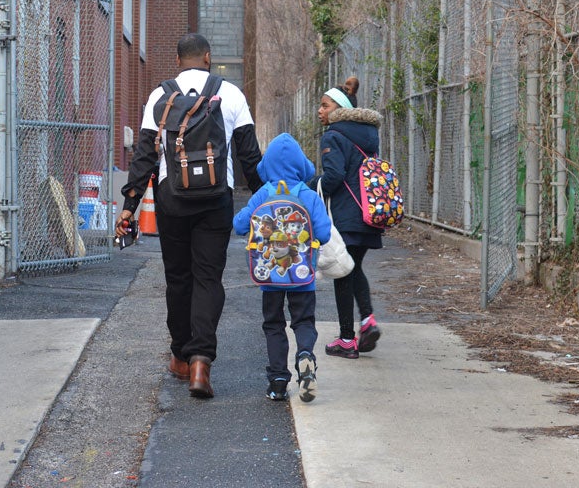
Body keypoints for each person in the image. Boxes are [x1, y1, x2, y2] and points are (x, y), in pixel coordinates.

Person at [114, 33, 262, 399]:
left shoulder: (159, 96)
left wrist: (130, 206)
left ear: (178, 60)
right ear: (208, 58)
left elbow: (144, 158)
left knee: (179, 278)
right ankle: (202, 361)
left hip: (172, 199)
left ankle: (180, 356)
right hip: (216, 200)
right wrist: (265, 198)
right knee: (209, 278)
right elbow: (249, 157)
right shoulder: (231, 94)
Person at [232, 133, 330, 402]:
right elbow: (324, 232)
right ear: (301, 164)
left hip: (270, 276)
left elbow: (240, 225)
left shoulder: (263, 194)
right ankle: (305, 356)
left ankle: (277, 381)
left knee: (274, 324)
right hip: (303, 275)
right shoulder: (308, 196)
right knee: (303, 320)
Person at [317, 76, 385, 359]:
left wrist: (312, 187)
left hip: (347, 214)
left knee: (342, 272)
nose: (320, 110)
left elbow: (333, 177)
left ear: (339, 108)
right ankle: (367, 321)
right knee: (353, 267)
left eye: (325, 105)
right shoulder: (367, 135)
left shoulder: (334, 135)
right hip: (370, 212)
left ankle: (347, 340)